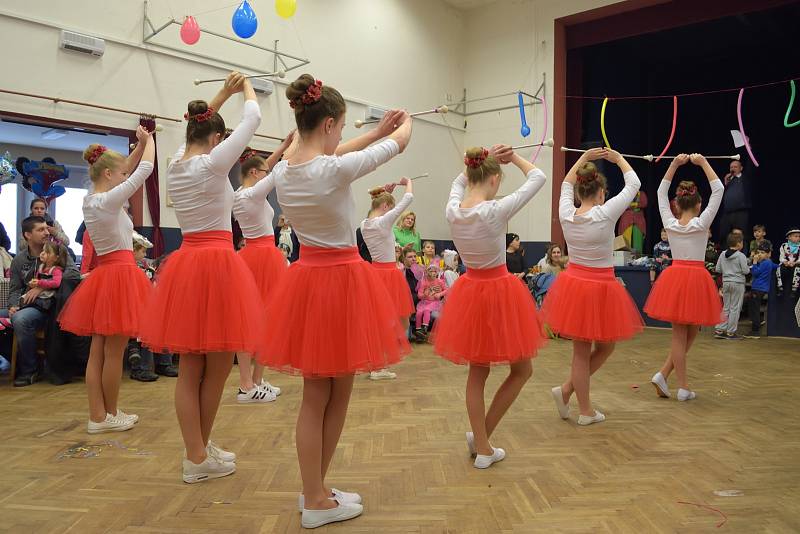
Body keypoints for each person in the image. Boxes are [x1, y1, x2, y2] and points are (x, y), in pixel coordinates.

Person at [258, 74, 412, 529]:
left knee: (323, 392)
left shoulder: (285, 167)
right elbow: (397, 145)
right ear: (327, 124)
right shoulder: (331, 169)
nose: (343, 136)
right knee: (329, 394)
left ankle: (318, 490)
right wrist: (403, 126)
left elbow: (340, 152)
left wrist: (378, 130)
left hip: (307, 280)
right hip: (341, 280)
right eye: (341, 127)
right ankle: (314, 498)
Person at [139, 72, 265, 483]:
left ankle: (199, 449)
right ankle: (195, 455)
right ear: (216, 140)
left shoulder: (177, 162)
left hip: (189, 262)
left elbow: (193, 125)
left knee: (194, 365)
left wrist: (223, 94)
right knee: (214, 367)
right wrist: (246, 88)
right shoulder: (213, 162)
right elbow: (254, 119)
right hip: (216, 264)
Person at [434, 144, 547, 469]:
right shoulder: (494, 210)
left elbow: (459, 184)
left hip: (471, 291)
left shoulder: (453, 210)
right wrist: (511, 157)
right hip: (499, 292)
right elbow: (537, 177)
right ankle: (483, 444)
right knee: (522, 370)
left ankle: (481, 440)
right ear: (495, 179)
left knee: (477, 373)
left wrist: (478, 162)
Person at [58, 127, 155, 433]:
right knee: (114, 352)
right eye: (121, 174)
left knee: (99, 351)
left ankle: (97, 415)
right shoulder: (109, 201)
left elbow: (129, 167)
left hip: (105, 276)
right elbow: (146, 169)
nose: (125, 177)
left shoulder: (92, 200)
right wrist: (150, 141)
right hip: (119, 276)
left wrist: (138, 145)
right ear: (109, 174)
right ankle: (110, 414)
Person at [543, 148, 643, 426]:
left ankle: (566, 391)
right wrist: (618, 159)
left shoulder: (566, 212)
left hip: (577, 284)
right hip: (598, 285)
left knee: (599, 348)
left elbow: (564, 183)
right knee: (586, 351)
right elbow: (634, 184)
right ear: (601, 193)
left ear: (579, 193)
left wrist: (584, 157)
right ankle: (585, 410)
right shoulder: (605, 212)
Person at [644, 154, 724, 402]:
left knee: (691, 332)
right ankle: (683, 387)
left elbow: (660, 192)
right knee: (681, 335)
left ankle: (663, 373)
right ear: (699, 204)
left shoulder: (670, 222)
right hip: (696, 277)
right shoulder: (702, 223)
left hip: (677, 276)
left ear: (676, 204)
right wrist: (702, 163)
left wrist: (674, 164)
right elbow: (719, 188)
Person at [232, 136, 295, 402]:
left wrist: (282, 146)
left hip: (263, 254)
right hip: (259, 257)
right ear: (254, 173)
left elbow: (270, 168)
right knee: (250, 322)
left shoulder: (245, 191)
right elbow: (278, 171)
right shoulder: (249, 194)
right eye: (262, 172)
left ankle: (256, 379)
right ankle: (246, 384)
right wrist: (298, 146)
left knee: (266, 321)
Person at [6, 216, 77, 386]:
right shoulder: (19, 260)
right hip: (26, 303)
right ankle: (18, 360)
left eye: (46, 228)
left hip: (48, 306)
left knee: (21, 319)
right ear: (27, 235)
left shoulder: (59, 251)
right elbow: (15, 289)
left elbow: (74, 275)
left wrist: (43, 286)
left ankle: (30, 370)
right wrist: (13, 305)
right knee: (14, 315)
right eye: (41, 230)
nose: (47, 232)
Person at [360, 177, 415, 380]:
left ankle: (376, 362)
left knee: (383, 321)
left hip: (376, 273)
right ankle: (379, 365)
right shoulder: (383, 222)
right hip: (388, 275)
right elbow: (408, 197)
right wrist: (406, 182)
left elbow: (379, 207)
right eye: (388, 207)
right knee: (398, 322)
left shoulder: (365, 223)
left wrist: (387, 191)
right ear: (385, 206)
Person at [713, 233, 750, 340]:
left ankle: (719, 329)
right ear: (739, 244)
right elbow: (745, 271)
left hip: (726, 283)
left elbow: (718, 269)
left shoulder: (722, 254)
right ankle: (731, 332)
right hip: (737, 283)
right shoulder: (740, 255)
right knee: (735, 308)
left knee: (726, 307)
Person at [747, 242, 778, 338]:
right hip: (761, 289)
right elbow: (776, 266)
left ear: (768, 254)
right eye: (759, 252)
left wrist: (755, 262)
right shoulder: (769, 263)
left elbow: (755, 273)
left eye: (763, 252)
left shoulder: (765, 263)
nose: (760, 254)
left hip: (758, 289)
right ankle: (759, 320)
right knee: (753, 306)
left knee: (754, 309)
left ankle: (755, 331)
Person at [718, 159, 751, 244]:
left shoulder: (746, 178)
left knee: (740, 234)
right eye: (731, 167)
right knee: (724, 233)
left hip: (741, 212)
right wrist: (725, 183)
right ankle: (725, 254)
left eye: (735, 167)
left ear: (741, 168)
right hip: (727, 212)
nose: (732, 169)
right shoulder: (728, 180)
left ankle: (742, 254)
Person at [415, 263, 447, 340]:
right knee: (419, 313)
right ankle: (418, 331)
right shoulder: (423, 282)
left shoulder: (440, 282)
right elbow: (419, 294)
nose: (433, 273)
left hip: (434, 302)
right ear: (426, 272)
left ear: (437, 272)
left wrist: (439, 294)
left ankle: (425, 328)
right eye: (431, 271)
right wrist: (424, 295)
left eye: (435, 271)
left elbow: (446, 290)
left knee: (427, 310)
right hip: (424, 302)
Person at [776, 228, 800, 298]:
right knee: (779, 269)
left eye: (799, 236)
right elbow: (781, 257)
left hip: (796, 264)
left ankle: (794, 290)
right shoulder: (784, 246)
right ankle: (780, 288)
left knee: (797, 270)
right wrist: (785, 262)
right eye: (796, 236)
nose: (798, 238)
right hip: (786, 264)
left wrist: (795, 263)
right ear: (789, 237)